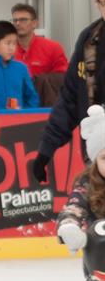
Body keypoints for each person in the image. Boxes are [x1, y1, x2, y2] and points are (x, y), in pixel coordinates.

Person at [34, 0, 105, 183]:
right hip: (98, 156)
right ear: (97, 2)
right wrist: (46, 150)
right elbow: (70, 98)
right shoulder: (89, 41)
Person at [56, 104, 105, 257]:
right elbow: (74, 207)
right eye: (104, 158)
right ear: (95, 160)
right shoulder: (88, 183)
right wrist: (69, 226)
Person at [0, 21, 39, 110]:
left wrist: (24, 115)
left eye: (14, 43)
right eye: (8, 43)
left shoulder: (21, 68)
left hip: (17, 121)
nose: (12, 48)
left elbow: (32, 98)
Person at [11, 2, 68, 76]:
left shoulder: (53, 48)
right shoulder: (2, 50)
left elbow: (62, 78)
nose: (18, 23)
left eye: (23, 20)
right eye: (15, 20)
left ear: (34, 23)